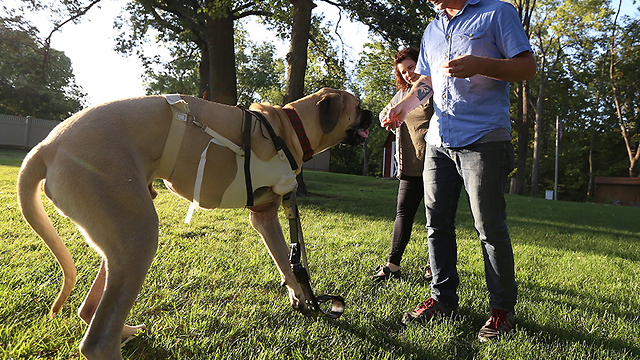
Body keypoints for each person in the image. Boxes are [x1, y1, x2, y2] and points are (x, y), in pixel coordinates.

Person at [382, 0, 537, 342]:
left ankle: (501, 311)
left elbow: (527, 67)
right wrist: (402, 107)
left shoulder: (497, 12)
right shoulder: (433, 28)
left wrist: (481, 64)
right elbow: (426, 81)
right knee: (436, 222)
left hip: (484, 137)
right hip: (439, 139)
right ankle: (442, 299)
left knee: (489, 226)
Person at [373, 48, 434, 282]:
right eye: (403, 72)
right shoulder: (403, 94)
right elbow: (383, 115)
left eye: (411, 67)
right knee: (403, 214)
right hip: (409, 166)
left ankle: (433, 266)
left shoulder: (433, 88)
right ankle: (393, 265)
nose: (408, 74)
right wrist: (388, 116)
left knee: (436, 217)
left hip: (435, 163)